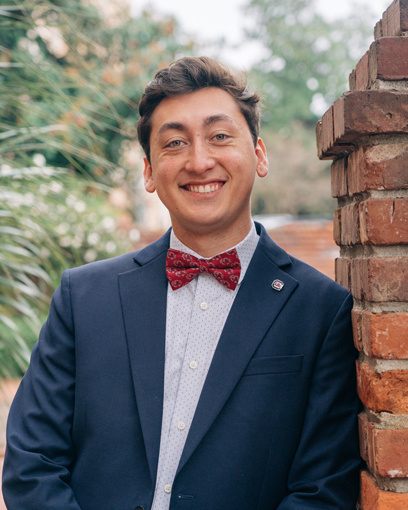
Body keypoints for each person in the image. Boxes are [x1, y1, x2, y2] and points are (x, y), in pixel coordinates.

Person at [2, 56, 361, 510]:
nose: (199, 160)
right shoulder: (83, 297)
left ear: (259, 154)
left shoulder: (321, 310)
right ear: (150, 172)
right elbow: (31, 462)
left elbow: (322, 491)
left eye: (220, 136)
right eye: (174, 143)